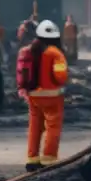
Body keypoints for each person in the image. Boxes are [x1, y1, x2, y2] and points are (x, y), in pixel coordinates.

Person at [23, 20, 69, 171]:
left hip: (33, 96)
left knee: (34, 126)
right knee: (52, 126)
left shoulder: (29, 51)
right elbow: (60, 76)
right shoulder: (55, 53)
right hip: (52, 96)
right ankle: (48, 158)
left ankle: (32, 158)